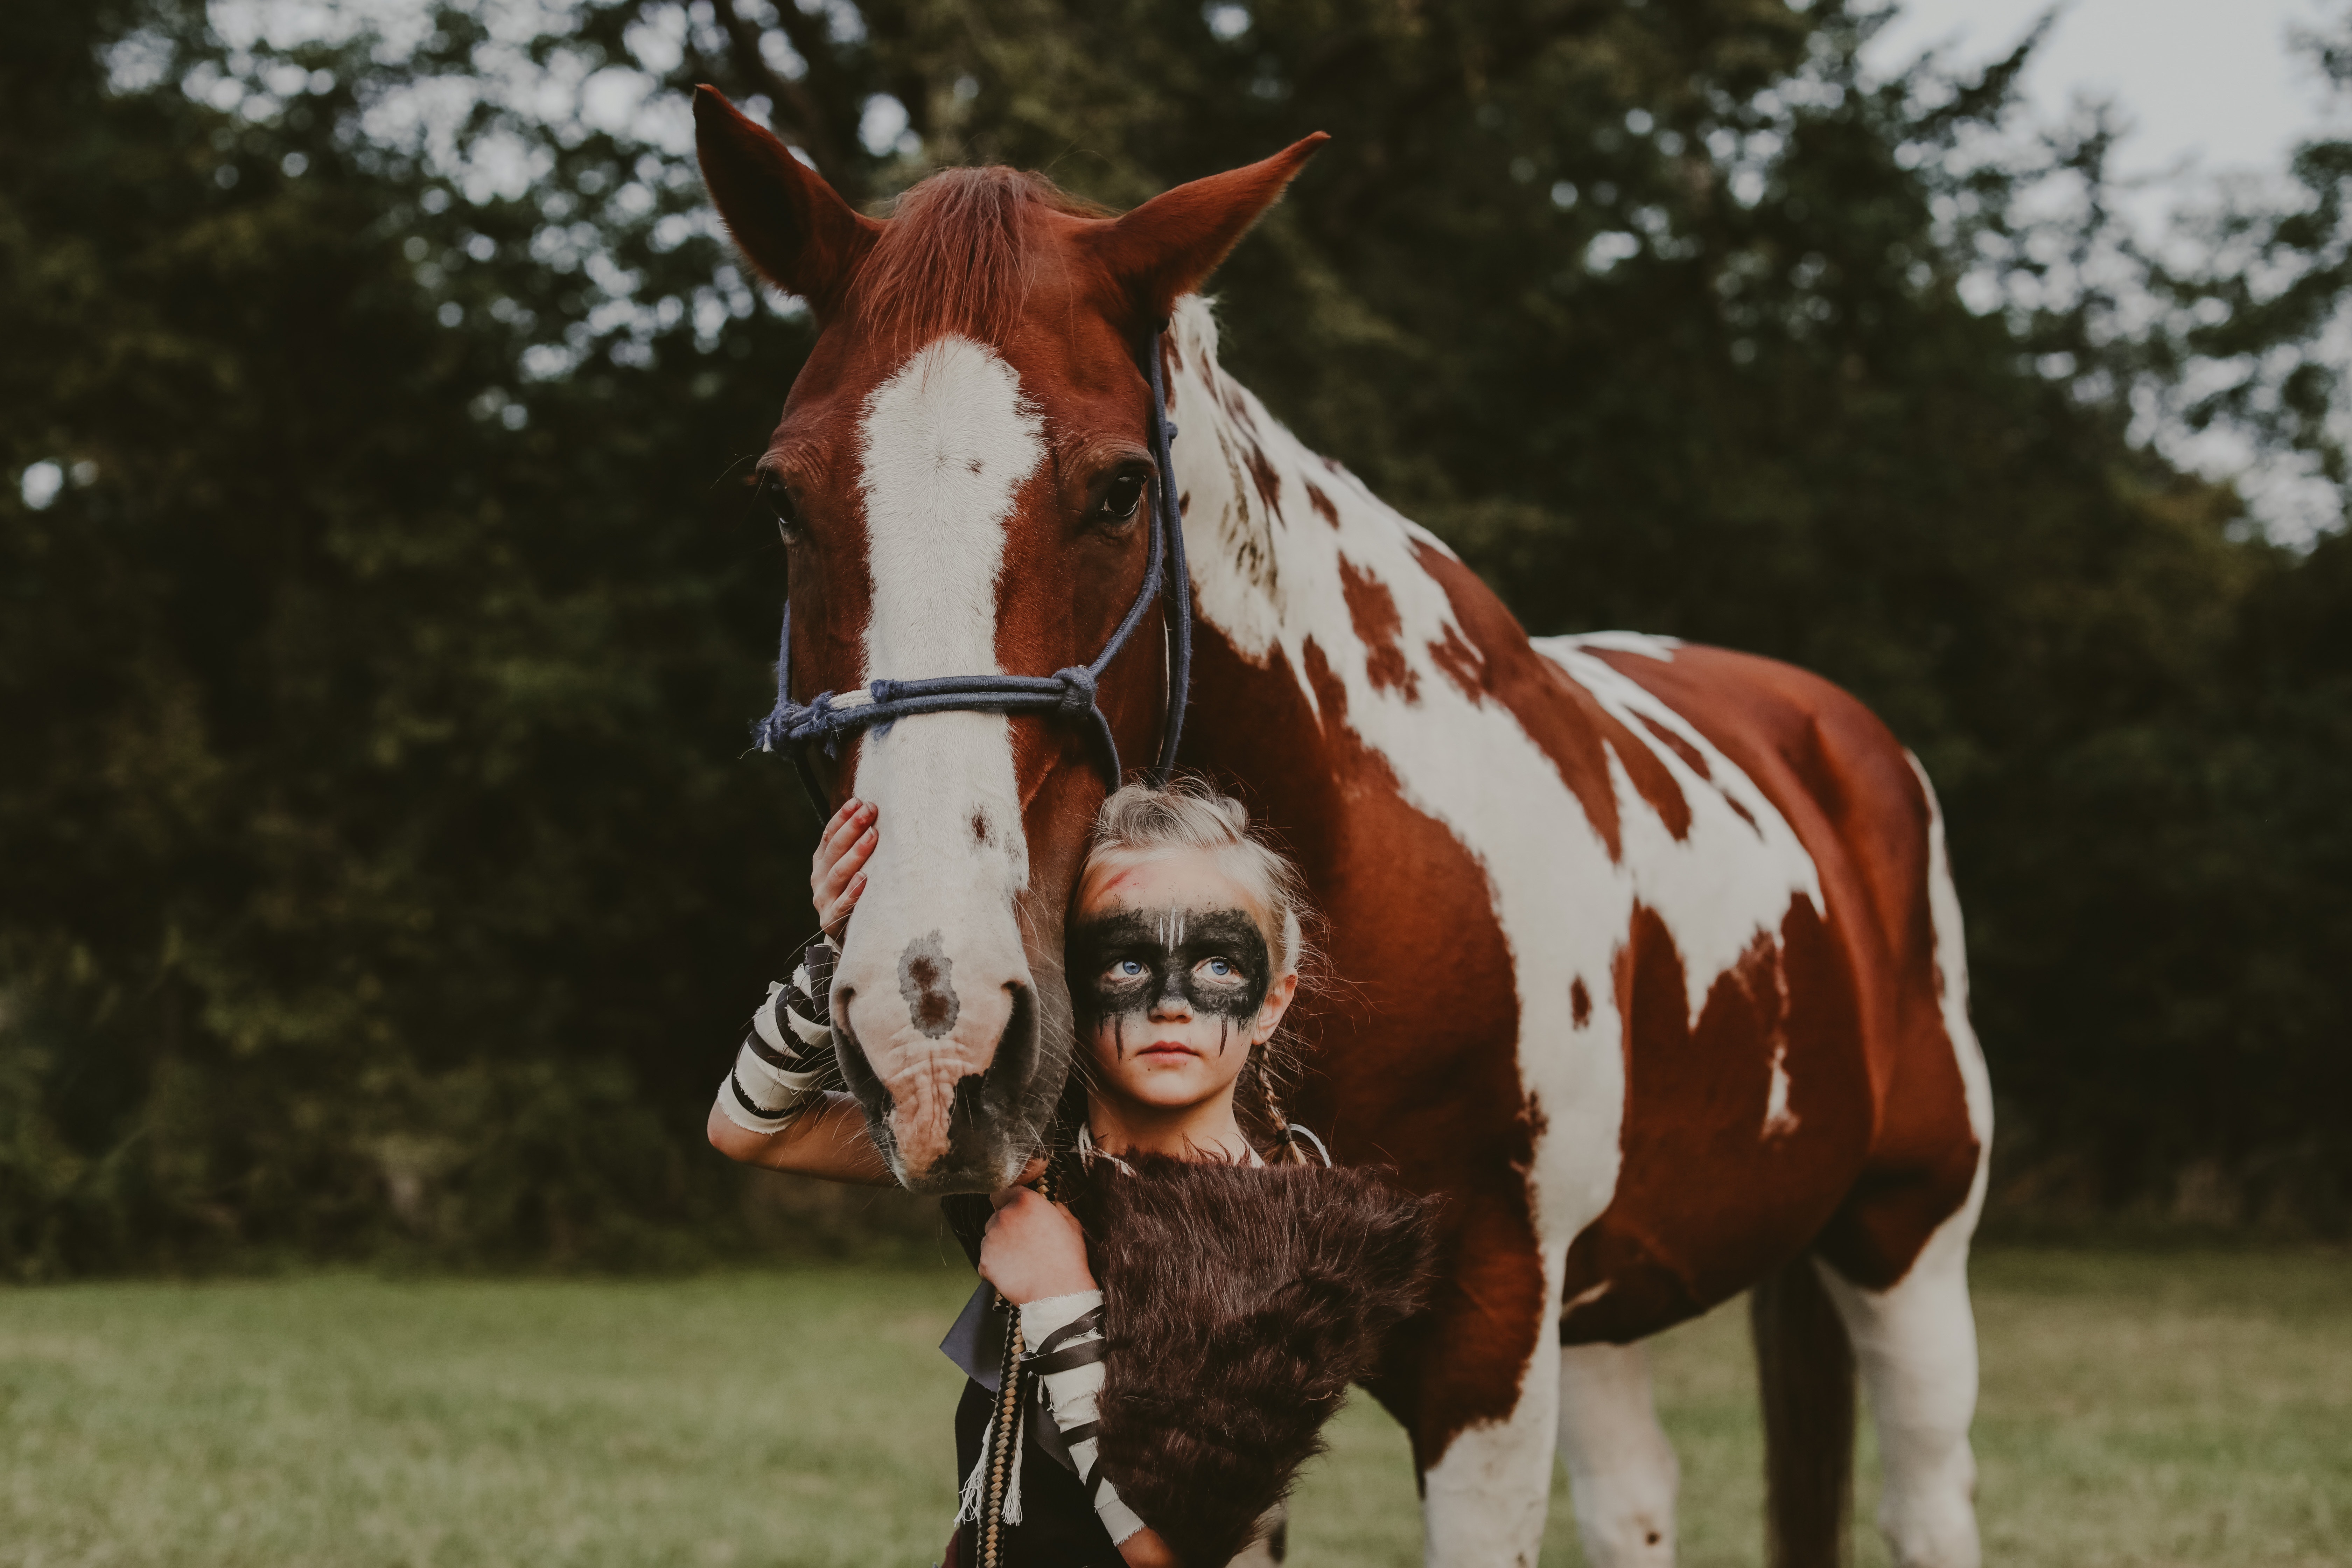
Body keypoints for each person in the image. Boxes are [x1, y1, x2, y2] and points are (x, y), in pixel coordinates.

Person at [708, 781, 1433, 1568]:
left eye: (1218, 961)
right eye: (1126, 958)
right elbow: (752, 1130)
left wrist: (1060, 1295)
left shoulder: (1305, 1250)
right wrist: (851, 946)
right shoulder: (1029, 1155)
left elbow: (1167, 1551)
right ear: (1064, 982)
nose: (1170, 1003)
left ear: (1273, 1001)